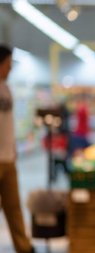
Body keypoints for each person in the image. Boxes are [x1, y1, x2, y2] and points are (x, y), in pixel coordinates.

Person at [0, 44, 35, 253]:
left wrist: (12, 148)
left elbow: (8, 122)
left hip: (8, 159)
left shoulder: (6, 88)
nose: (10, 68)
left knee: (14, 208)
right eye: (7, 64)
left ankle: (24, 248)